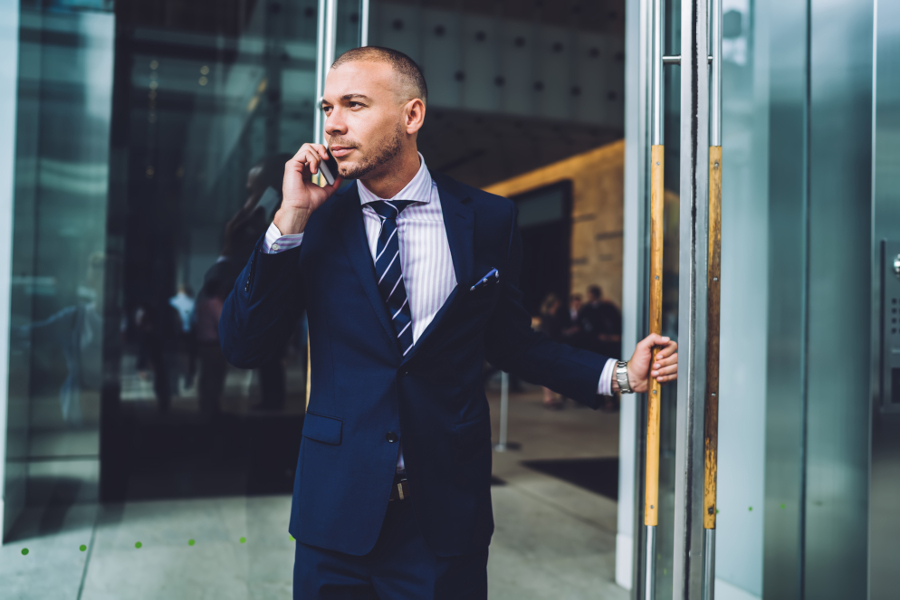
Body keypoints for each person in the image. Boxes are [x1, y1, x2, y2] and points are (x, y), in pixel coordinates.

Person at [219, 46, 678, 600]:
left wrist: (619, 374)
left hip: (442, 520)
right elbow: (244, 345)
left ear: (412, 116)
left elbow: (511, 342)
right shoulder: (310, 219)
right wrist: (289, 220)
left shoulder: (487, 219)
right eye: (328, 107)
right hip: (334, 515)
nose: (333, 125)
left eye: (355, 105)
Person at [199, 153, 292, 412]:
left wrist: (231, 247)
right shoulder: (250, 230)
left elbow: (216, 285)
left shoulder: (272, 235)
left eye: (255, 192)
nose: (248, 201)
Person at [539, 293, 572, 409]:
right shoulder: (548, 317)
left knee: (552, 373)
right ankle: (548, 398)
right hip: (549, 348)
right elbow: (548, 333)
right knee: (547, 373)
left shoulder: (554, 316)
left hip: (553, 347)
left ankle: (551, 397)